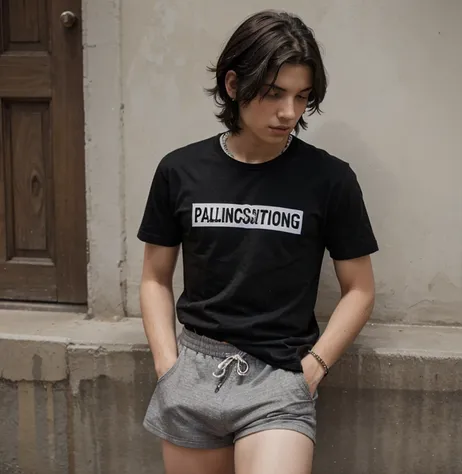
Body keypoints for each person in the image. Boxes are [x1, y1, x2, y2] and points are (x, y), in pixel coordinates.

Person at [137, 9, 378, 474]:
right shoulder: (179, 171)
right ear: (233, 86)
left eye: (301, 97)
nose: (289, 112)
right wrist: (169, 370)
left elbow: (361, 289)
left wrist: (312, 370)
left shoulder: (329, 179)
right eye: (273, 94)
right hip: (194, 369)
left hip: (280, 377)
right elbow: (154, 277)